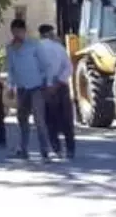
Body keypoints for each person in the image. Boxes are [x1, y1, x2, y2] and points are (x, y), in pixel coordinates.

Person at [5, 19, 51, 161]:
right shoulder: (10, 48)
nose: (16, 34)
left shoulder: (34, 45)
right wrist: (10, 86)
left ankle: (45, 151)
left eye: (19, 31)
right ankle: (23, 149)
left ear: (24, 31)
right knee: (22, 120)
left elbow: (45, 65)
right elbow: (10, 69)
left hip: (36, 87)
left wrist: (46, 83)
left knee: (39, 120)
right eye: (14, 32)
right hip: (21, 88)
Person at [38, 24, 75, 158]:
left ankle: (57, 148)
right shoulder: (59, 48)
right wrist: (58, 82)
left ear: (40, 34)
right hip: (61, 87)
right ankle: (70, 149)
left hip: (44, 87)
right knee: (66, 119)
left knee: (50, 120)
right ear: (50, 34)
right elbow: (69, 68)